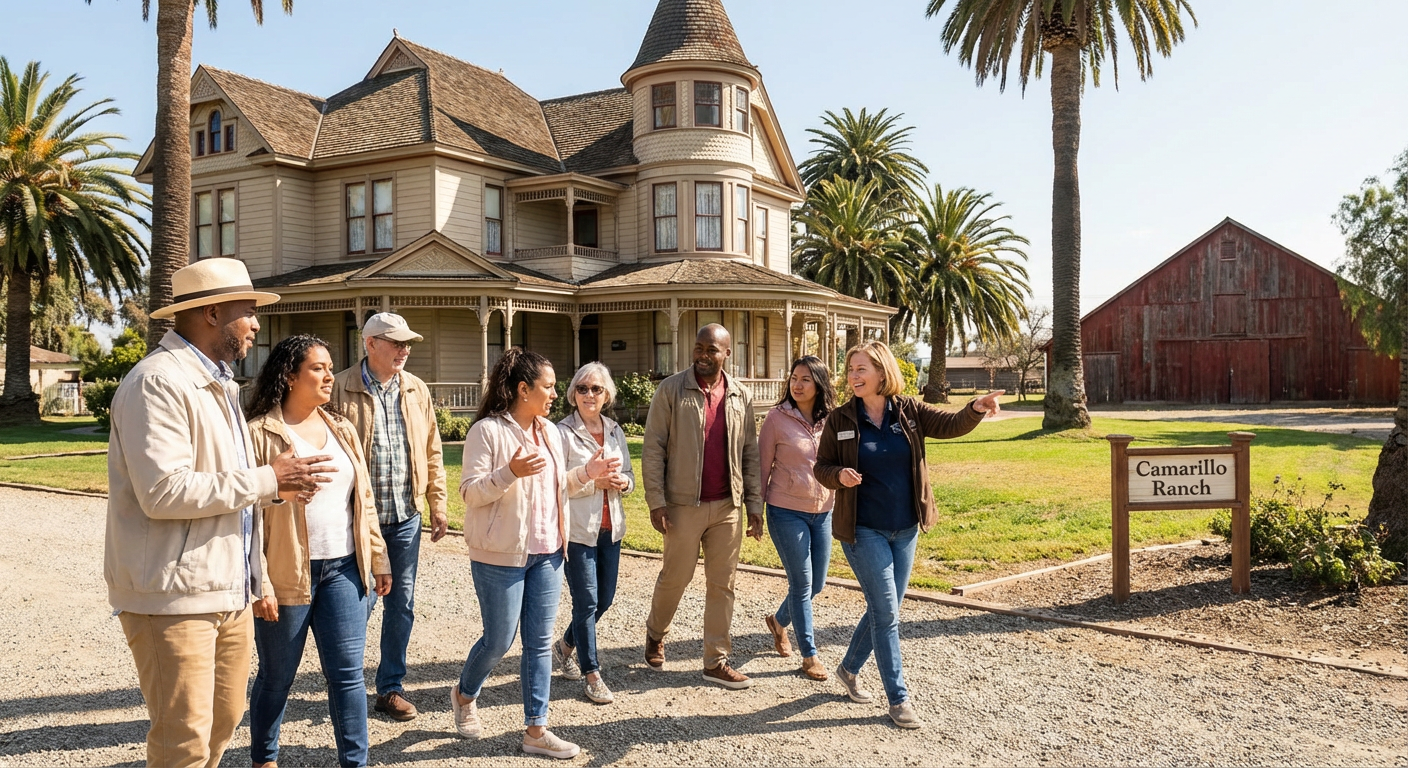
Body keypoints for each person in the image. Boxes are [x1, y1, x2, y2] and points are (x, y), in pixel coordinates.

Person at [104, 258, 334, 768]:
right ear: (211, 312)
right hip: (172, 593)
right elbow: (163, 492)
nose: (256, 323)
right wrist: (269, 478)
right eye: (247, 311)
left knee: (224, 720)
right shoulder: (157, 383)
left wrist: (276, 495)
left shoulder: (222, 385)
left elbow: (222, 484)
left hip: (226, 589)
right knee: (184, 738)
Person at [814, 340, 1003, 730]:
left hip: (905, 530)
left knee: (887, 610)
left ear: (882, 372)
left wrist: (976, 408)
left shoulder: (910, 411)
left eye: (861, 369)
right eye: (851, 370)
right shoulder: (841, 419)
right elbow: (822, 467)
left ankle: (849, 669)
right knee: (886, 613)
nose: (853, 376)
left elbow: (950, 424)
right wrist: (838, 476)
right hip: (862, 530)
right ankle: (898, 699)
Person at [452, 348, 619, 759]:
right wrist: (509, 472)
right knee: (498, 640)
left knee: (540, 643)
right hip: (499, 554)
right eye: (547, 387)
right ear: (523, 389)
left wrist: (587, 474)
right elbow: (470, 493)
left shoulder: (550, 432)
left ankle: (536, 729)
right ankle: (464, 693)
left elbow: (558, 485)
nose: (554, 393)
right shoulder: (487, 432)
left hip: (548, 552)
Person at [246, 335, 393, 768]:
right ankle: (264, 759)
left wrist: (378, 557)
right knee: (277, 676)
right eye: (318, 368)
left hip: (346, 570)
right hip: (287, 575)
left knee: (348, 676)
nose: (330, 375)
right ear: (289, 376)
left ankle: (356, 762)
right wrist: (260, 583)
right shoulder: (259, 435)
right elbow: (247, 518)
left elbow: (361, 500)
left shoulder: (341, 427)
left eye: (331, 367)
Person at [329, 312, 448, 722]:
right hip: (357, 519)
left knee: (402, 603)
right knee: (356, 604)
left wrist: (438, 503)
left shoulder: (416, 389)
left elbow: (432, 449)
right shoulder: (338, 388)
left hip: (405, 516)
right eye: (396, 343)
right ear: (370, 344)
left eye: (407, 343)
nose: (404, 350)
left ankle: (390, 688)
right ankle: (345, 687)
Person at [641, 323, 763, 689]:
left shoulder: (740, 395)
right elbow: (653, 448)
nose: (703, 355)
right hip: (682, 505)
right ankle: (655, 632)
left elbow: (750, 453)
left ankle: (716, 660)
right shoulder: (672, 389)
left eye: (712, 349)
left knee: (722, 585)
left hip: (727, 506)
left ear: (728, 354)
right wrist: (656, 501)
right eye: (698, 348)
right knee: (675, 578)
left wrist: (754, 503)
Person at [553, 362, 636, 704]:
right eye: (583, 389)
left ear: (606, 395)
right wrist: (592, 481)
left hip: (610, 528)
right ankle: (592, 674)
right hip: (577, 531)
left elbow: (629, 476)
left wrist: (623, 483)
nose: (590, 394)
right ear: (573, 394)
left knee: (604, 600)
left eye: (596, 389)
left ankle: (564, 645)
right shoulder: (560, 432)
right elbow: (557, 485)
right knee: (585, 602)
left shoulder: (615, 430)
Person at [758, 356, 838, 681]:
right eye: (794, 378)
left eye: (805, 379)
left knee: (817, 583)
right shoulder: (776, 419)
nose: (797, 384)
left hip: (824, 511)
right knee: (802, 583)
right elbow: (762, 467)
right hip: (785, 509)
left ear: (819, 383)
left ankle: (778, 622)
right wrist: (756, 512)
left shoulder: (832, 419)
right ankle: (810, 655)